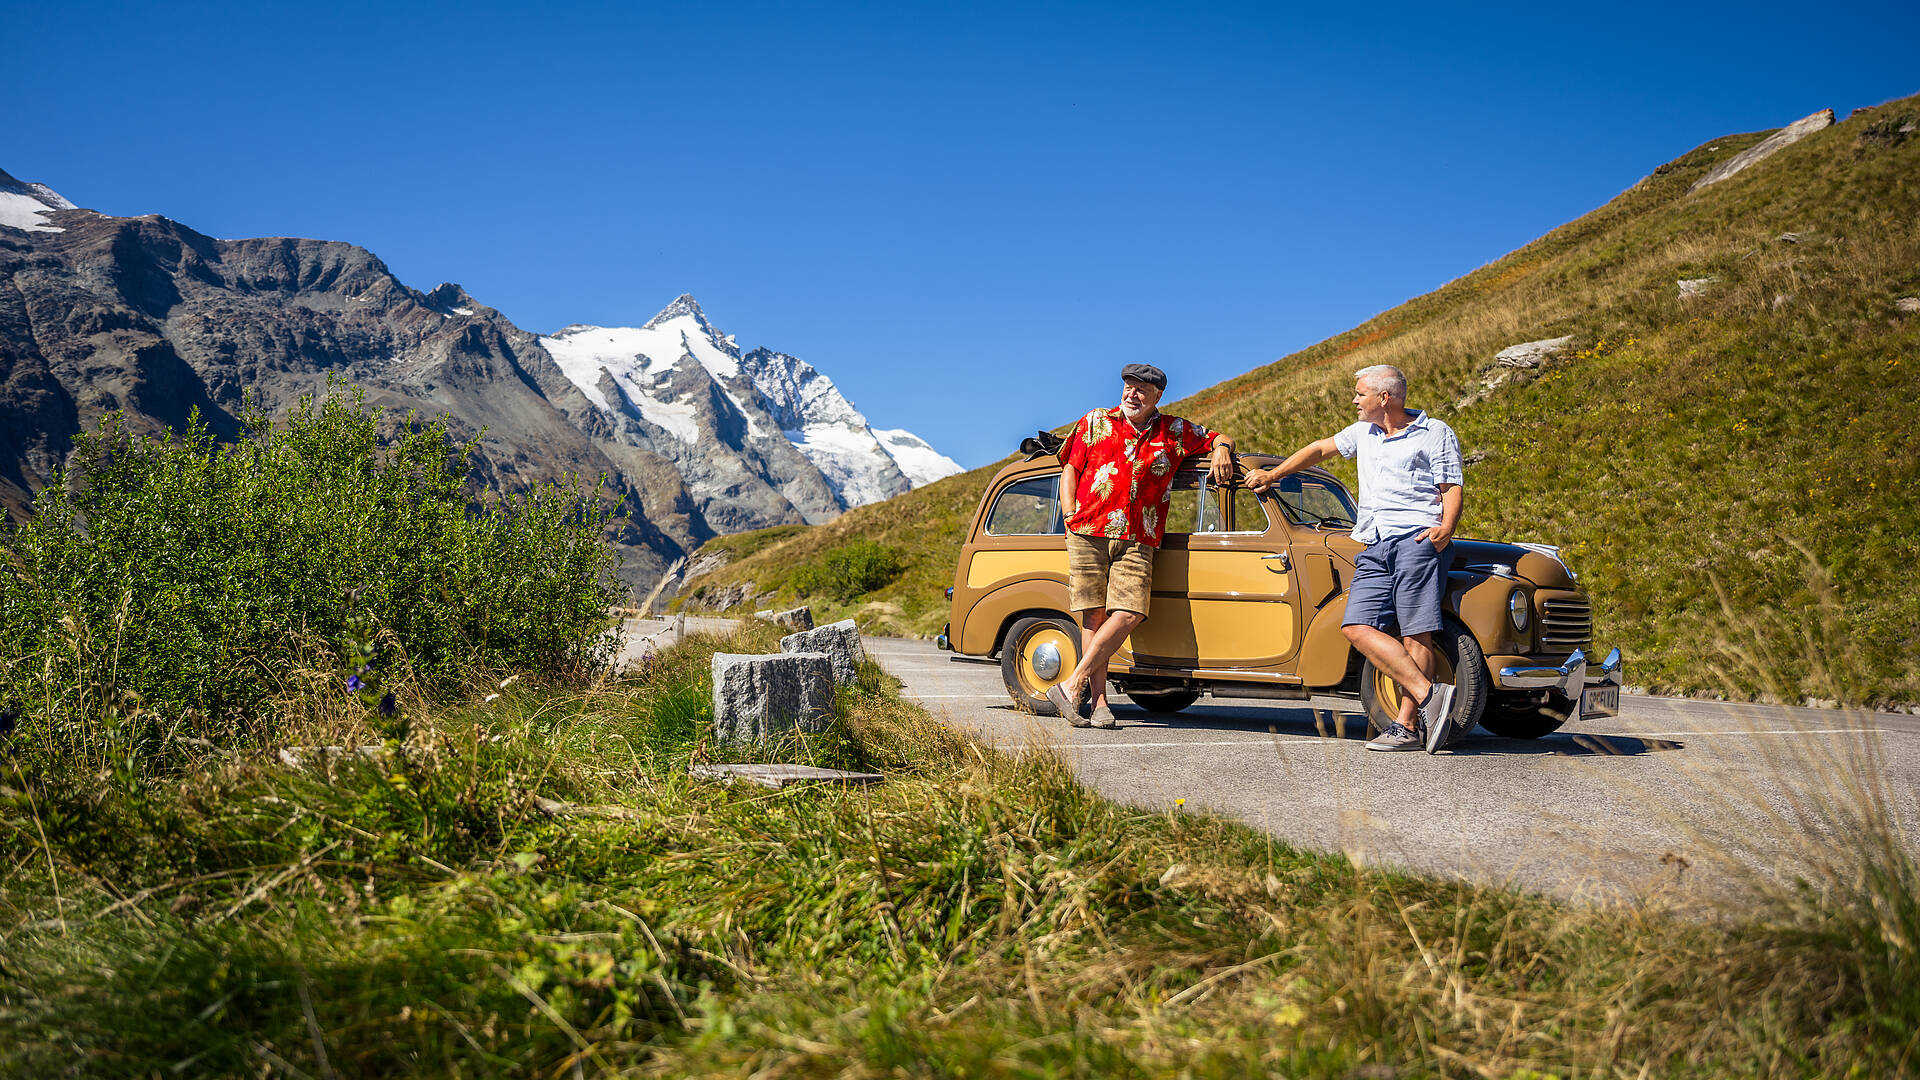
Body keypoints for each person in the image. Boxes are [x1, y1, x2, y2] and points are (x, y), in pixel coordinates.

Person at [1245, 364, 1464, 753]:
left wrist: (1445, 528)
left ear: (1384, 398)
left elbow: (1451, 485)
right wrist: (1274, 473)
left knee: (1417, 633)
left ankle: (1406, 727)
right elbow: (1319, 450)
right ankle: (1432, 696)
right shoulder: (1362, 432)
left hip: (1416, 540)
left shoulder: (1435, 432)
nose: (1354, 400)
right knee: (1356, 626)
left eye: (1360, 393)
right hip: (1373, 542)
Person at [1045, 364, 1235, 728]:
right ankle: (1098, 703)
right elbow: (1070, 467)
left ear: (1157, 396)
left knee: (1131, 612)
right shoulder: (1095, 421)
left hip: (1140, 537)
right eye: (1129, 387)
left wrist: (1223, 449)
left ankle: (1072, 683)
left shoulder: (1174, 431)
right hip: (1088, 530)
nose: (1132, 394)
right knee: (1093, 615)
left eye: (1141, 391)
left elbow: (1217, 437)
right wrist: (1069, 515)